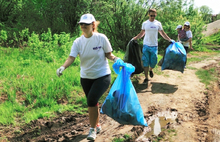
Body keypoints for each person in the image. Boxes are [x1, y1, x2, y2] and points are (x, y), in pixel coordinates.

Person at [56, 13, 120, 140]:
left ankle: (92, 130)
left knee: (91, 100)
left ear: (93, 25)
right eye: (81, 24)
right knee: (93, 102)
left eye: (86, 24)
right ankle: (97, 124)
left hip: (102, 75)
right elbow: (71, 57)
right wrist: (63, 67)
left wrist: (116, 59)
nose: (83, 26)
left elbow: (109, 54)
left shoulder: (101, 38)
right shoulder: (78, 42)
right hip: (86, 77)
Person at [132, 9, 173, 84]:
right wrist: (135, 38)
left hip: (154, 46)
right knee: (145, 62)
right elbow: (142, 33)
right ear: (148, 15)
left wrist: (169, 39)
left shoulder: (158, 23)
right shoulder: (145, 23)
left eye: (154, 15)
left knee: (154, 62)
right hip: (146, 45)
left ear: (156, 15)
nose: (152, 17)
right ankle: (146, 78)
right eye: (151, 15)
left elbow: (162, 33)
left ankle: (151, 69)